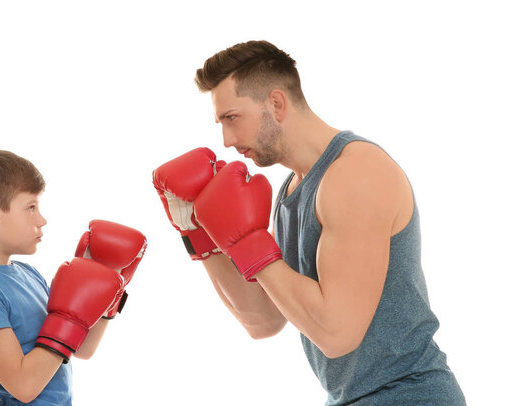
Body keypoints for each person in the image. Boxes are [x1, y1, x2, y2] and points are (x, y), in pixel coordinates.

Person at [153, 40, 465, 405]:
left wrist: (250, 242)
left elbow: (335, 333)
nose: (226, 140)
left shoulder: (356, 174)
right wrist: (200, 236)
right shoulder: (293, 190)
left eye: (232, 118)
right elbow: (264, 320)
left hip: (408, 395)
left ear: (276, 103)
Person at [0, 149, 146, 405]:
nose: (42, 220)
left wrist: (111, 291)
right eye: (31, 207)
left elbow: (82, 349)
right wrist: (67, 318)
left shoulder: (27, 274)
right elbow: (24, 386)